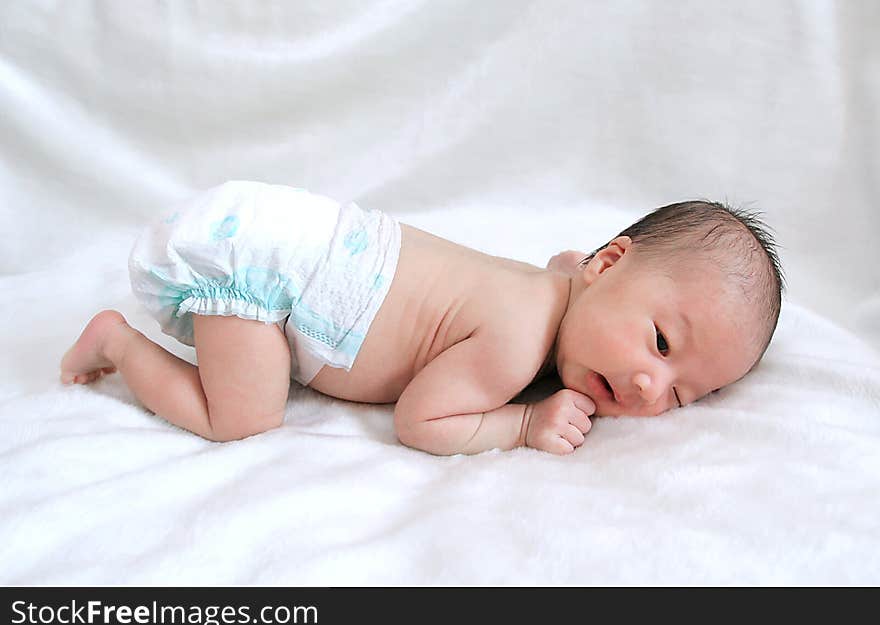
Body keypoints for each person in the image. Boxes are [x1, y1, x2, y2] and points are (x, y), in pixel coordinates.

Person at [60, 181, 784, 455]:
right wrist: (523, 424)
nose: (650, 384)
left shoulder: (555, 281)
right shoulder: (513, 341)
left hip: (290, 228)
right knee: (243, 418)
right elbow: (421, 419)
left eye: (682, 392)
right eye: (661, 342)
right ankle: (117, 344)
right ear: (607, 261)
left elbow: (561, 264)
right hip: (263, 266)